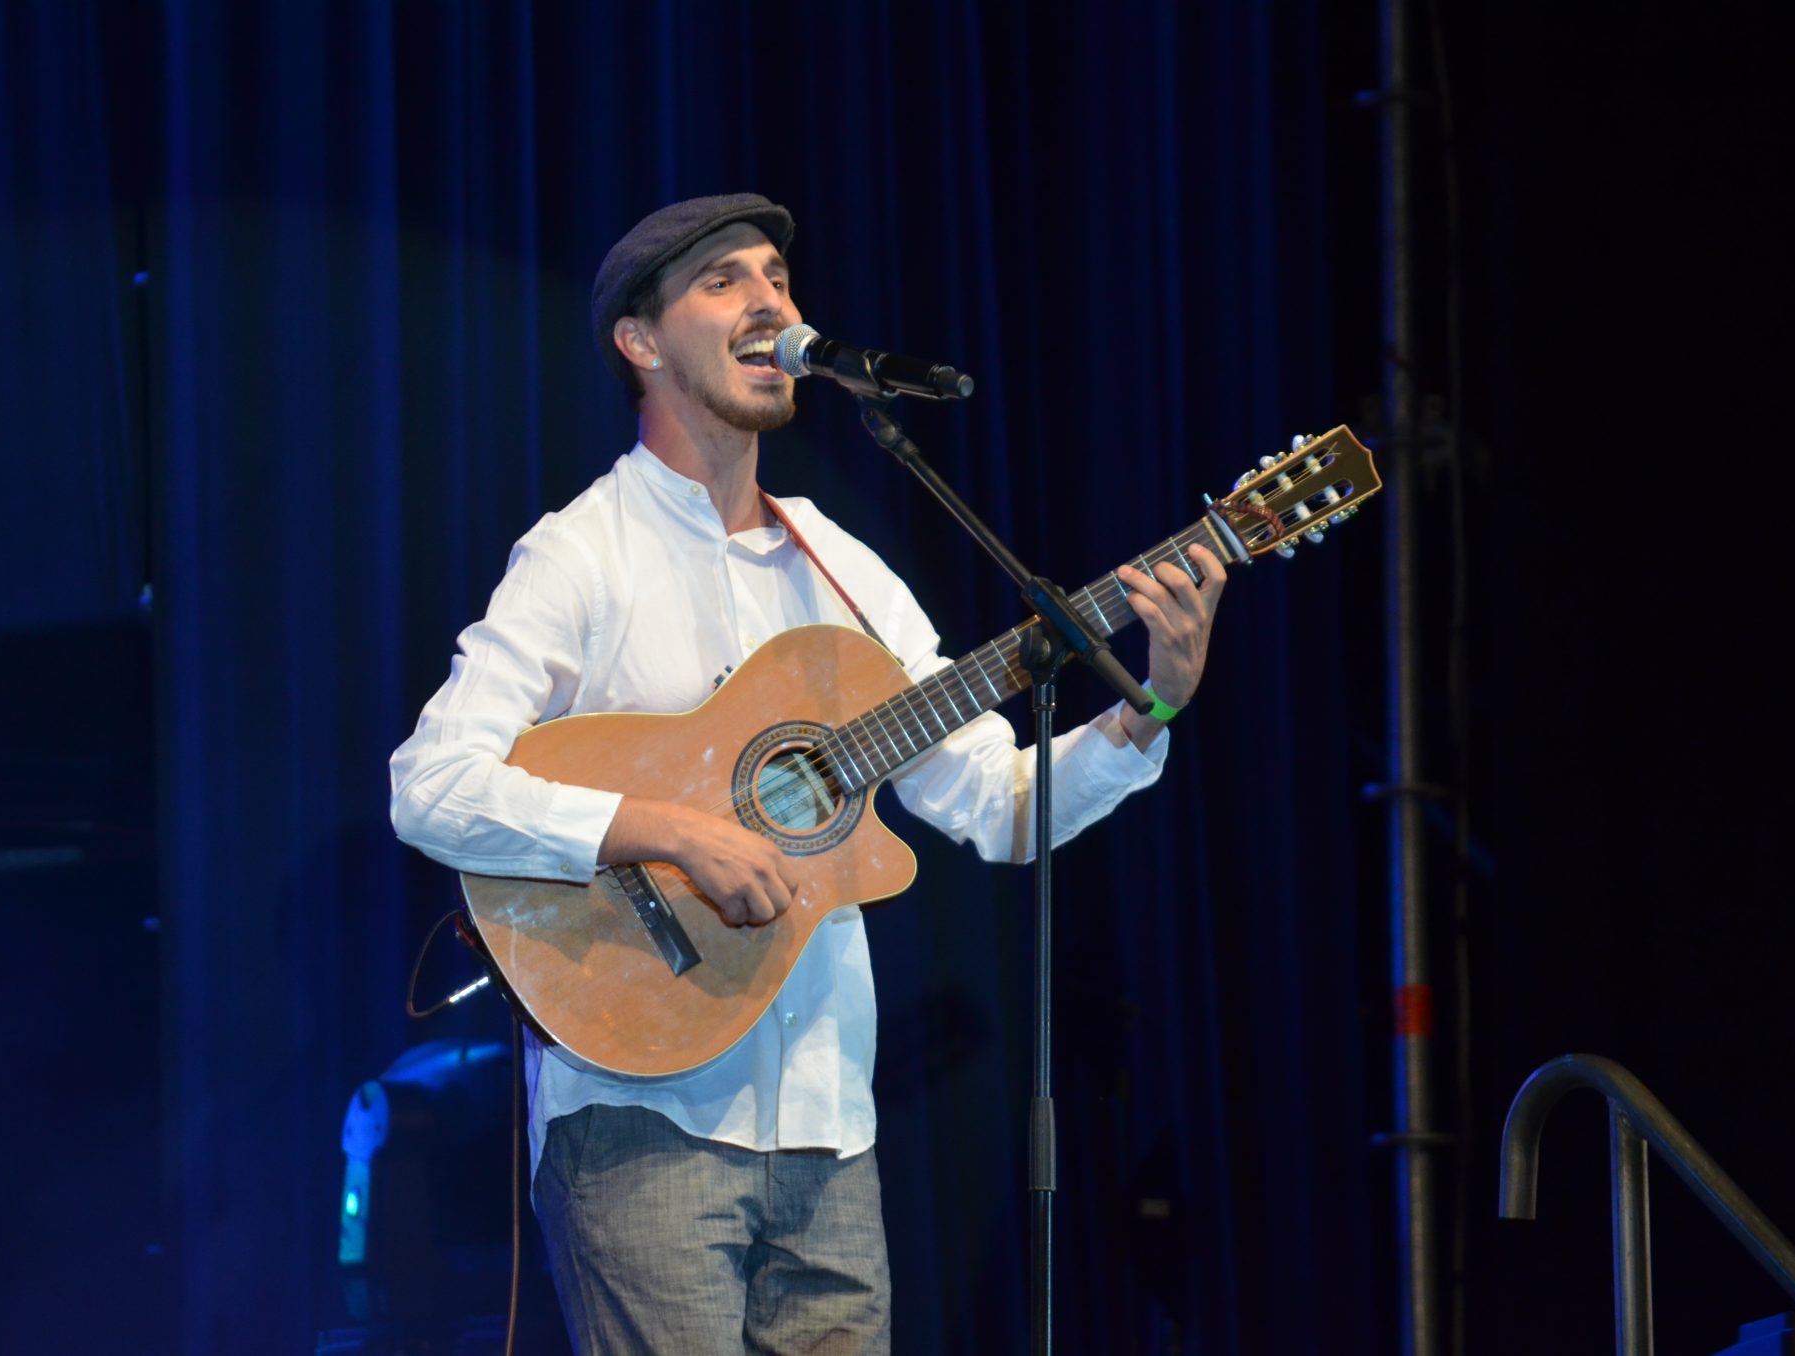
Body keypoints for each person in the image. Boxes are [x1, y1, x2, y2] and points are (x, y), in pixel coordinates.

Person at [389, 193, 1227, 1355]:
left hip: (831, 1134)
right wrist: (665, 830)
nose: (770, 301)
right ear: (641, 342)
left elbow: (995, 806)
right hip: (641, 1120)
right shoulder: (581, 552)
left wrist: (1153, 705)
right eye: (724, 280)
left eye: (777, 275)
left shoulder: (840, 568)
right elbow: (431, 784)